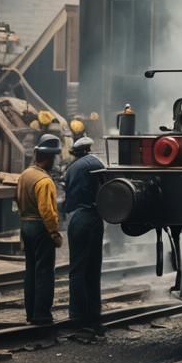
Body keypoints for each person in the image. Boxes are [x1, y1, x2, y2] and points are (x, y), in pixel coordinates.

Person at [17, 134, 63, 325]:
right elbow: (47, 211)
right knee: (44, 272)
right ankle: (42, 314)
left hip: (25, 225)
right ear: (49, 158)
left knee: (31, 270)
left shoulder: (25, 175)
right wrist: (54, 233)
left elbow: (17, 199)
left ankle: (31, 313)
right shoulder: (44, 181)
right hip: (40, 228)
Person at [63, 136, 105, 335]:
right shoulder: (96, 163)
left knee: (77, 269)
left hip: (77, 218)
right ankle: (92, 316)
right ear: (88, 149)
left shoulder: (71, 168)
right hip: (93, 218)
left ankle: (78, 316)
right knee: (92, 270)